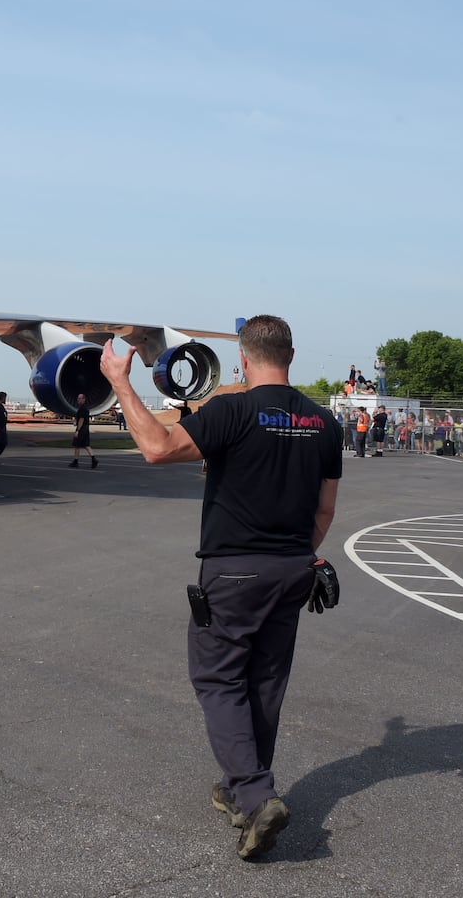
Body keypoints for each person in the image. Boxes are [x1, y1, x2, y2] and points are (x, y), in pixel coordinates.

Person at [99, 314, 341, 861]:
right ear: (292, 357)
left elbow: (157, 447)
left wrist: (119, 380)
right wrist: (299, 554)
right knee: (266, 682)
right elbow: (325, 508)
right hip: (293, 568)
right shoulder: (325, 422)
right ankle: (241, 788)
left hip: (234, 570)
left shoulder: (230, 411)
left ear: (244, 360)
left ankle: (256, 796)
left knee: (217, 676)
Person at [70, 393, 97, 469]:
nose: (78, 400)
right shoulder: (85, 408)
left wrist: (77, 430)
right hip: (86, 427)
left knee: (77, 445)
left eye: (80, 398)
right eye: (78, 398)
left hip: (82, 428)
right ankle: (93, 459)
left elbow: (81, 420)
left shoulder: (82, 409)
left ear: (84, 399)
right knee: (86, 445)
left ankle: (76, 461)